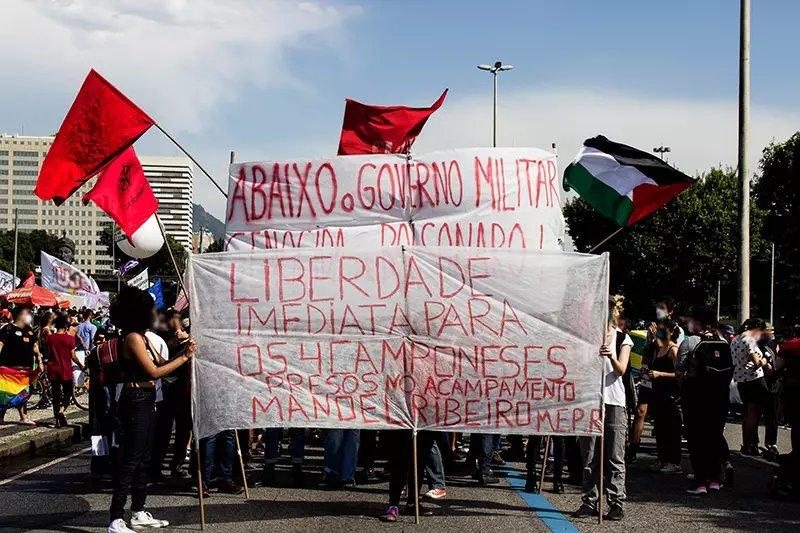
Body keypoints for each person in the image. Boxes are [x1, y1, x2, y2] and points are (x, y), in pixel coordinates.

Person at [106, 287, 196, 533]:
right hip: (134, 398)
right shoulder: (132, 338)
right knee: (131, 458)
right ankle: (116, 518)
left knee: (145, 457)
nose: (154, 315)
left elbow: (163, 364)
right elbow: (153, 372)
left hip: (146, 398)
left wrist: (178, 346)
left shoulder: (144, 337)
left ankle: (138, 511)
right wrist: (185, 357)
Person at [575, 296, 631, 521]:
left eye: (608, 309)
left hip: (614, 401)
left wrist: (611, 356)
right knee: (589, 455)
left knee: (614, 455)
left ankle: (616, 502)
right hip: (591, 400)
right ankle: (589, 500)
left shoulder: (622, 339)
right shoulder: (587, 338)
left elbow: (622, 370)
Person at [678, 306, 733, 495]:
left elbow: (679, 370)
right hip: (719, 398)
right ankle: (716, 480)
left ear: (698, 323)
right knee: (714, 437)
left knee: (696, 439)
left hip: (696, 398)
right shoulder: (724, 341)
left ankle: (700, 482)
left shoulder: (690, 342)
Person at [150, 310, 193, 481]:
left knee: (183, 429)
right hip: (167, 390)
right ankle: (156, 465)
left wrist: (186, 340)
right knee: (163, 430)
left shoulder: (190, 338)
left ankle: (178, 464)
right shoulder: (161, 338)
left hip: (184, 390)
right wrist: (172, 344)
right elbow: (162, 362)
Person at [731, 318, 771, 456]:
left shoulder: (736, 339)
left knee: (747, 413)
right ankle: (751, 445)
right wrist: (765, 359)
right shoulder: (750, 340)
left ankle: (746, 444)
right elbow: (756, 362)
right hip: (754, 379)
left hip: (741, 379)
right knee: (754, 413)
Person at [648, 320, 683, 473]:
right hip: (658, 393)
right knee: (660, 428)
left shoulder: (673, 349)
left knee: (672, 429)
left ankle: (674, 462)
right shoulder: (660, 348)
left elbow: (679, 374)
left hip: (670, 394)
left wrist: (659, 374)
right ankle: (662, 459)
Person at [380, 430, 436, 522]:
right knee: (400, 461)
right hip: (404, 424)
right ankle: (393, 504)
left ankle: (413, 503)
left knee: (419, 462)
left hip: (424, 423)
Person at [0, 306, 43, 425]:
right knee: (4, 394)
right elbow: (0, 344)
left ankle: (24, 417)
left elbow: (35, 347)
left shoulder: (29, 330)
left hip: (25, 371)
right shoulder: (7, 328)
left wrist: (39, 360)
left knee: (23, 394)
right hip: (8, 369)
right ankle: (1, 417)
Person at [45, 314, 86, 427]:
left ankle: (57, 420)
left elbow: (48, 353)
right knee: (68, 394)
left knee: (56, 395)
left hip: (53, 369)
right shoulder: (70, 339)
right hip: (65, 370)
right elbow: (73, 356)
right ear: (66, 327)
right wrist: (81, 365)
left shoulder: (50, 338)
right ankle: (61, 411)